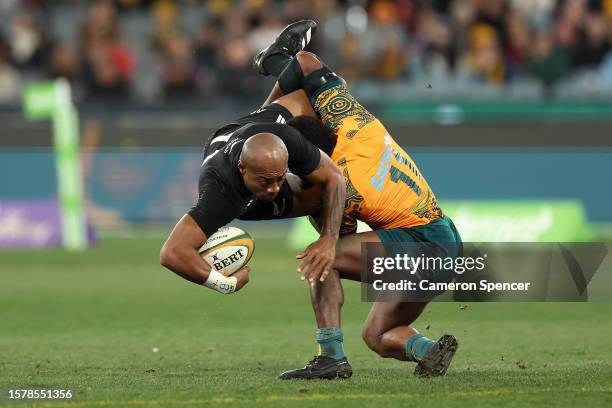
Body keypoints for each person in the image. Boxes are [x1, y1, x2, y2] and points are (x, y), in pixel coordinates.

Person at [250, 22, 463, 379]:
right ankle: (429, 351)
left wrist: (254, 126)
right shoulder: (353, 120)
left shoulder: (339, 186)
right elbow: (306, 61)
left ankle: (330, 356)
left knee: (323, 258)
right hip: (447, 241)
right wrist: (277, 66)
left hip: (424, 246)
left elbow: (332, 233)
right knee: (376, 336)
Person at [160, 21, 346, 296]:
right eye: (266, 181)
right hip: (231, 160)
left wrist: (329, 239)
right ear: (242, 168)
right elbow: (171, 253)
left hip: (253, 132)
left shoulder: (285, 138)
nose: (273, 188)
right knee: (320, 198)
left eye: (279, 179)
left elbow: (334, 178)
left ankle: (275, 59)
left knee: (326, 85)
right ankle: (276, 60)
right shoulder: (221, 196)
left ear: (287, 162)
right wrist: (227, 283)